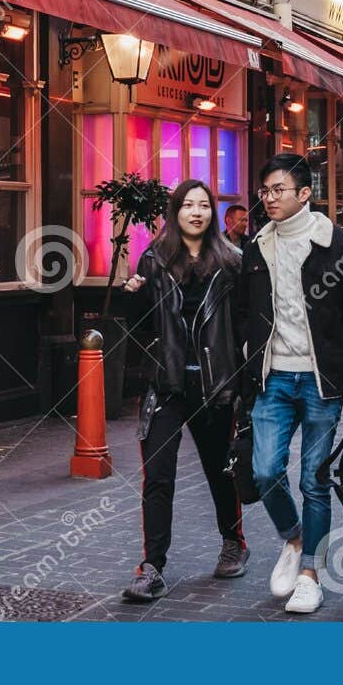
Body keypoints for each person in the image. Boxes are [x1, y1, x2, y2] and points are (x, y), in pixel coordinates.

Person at [236, 154, 343, 615]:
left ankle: (311, 576)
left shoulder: (340, 246)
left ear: (304, 194)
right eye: (265, 191)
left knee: (314, 479)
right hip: (272, 377)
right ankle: (293, 539)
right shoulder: (256, 247)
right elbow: (244, 314)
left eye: (278, 190)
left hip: (323, 381)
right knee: (263, 472)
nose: (269, 198)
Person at [119, 180, 248, 601]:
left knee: (219, 471)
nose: (196, 212)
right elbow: (137, 327)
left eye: (204, 206)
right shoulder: (154, 260)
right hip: (166, 385)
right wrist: (132, 298)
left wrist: (243, 384)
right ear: (175, 212)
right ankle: (152, 567)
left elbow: (246, 324)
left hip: (214, 386)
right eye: (188, 205)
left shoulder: (232, 261)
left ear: (213, 213)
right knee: (158, 477)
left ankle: (233, 543)